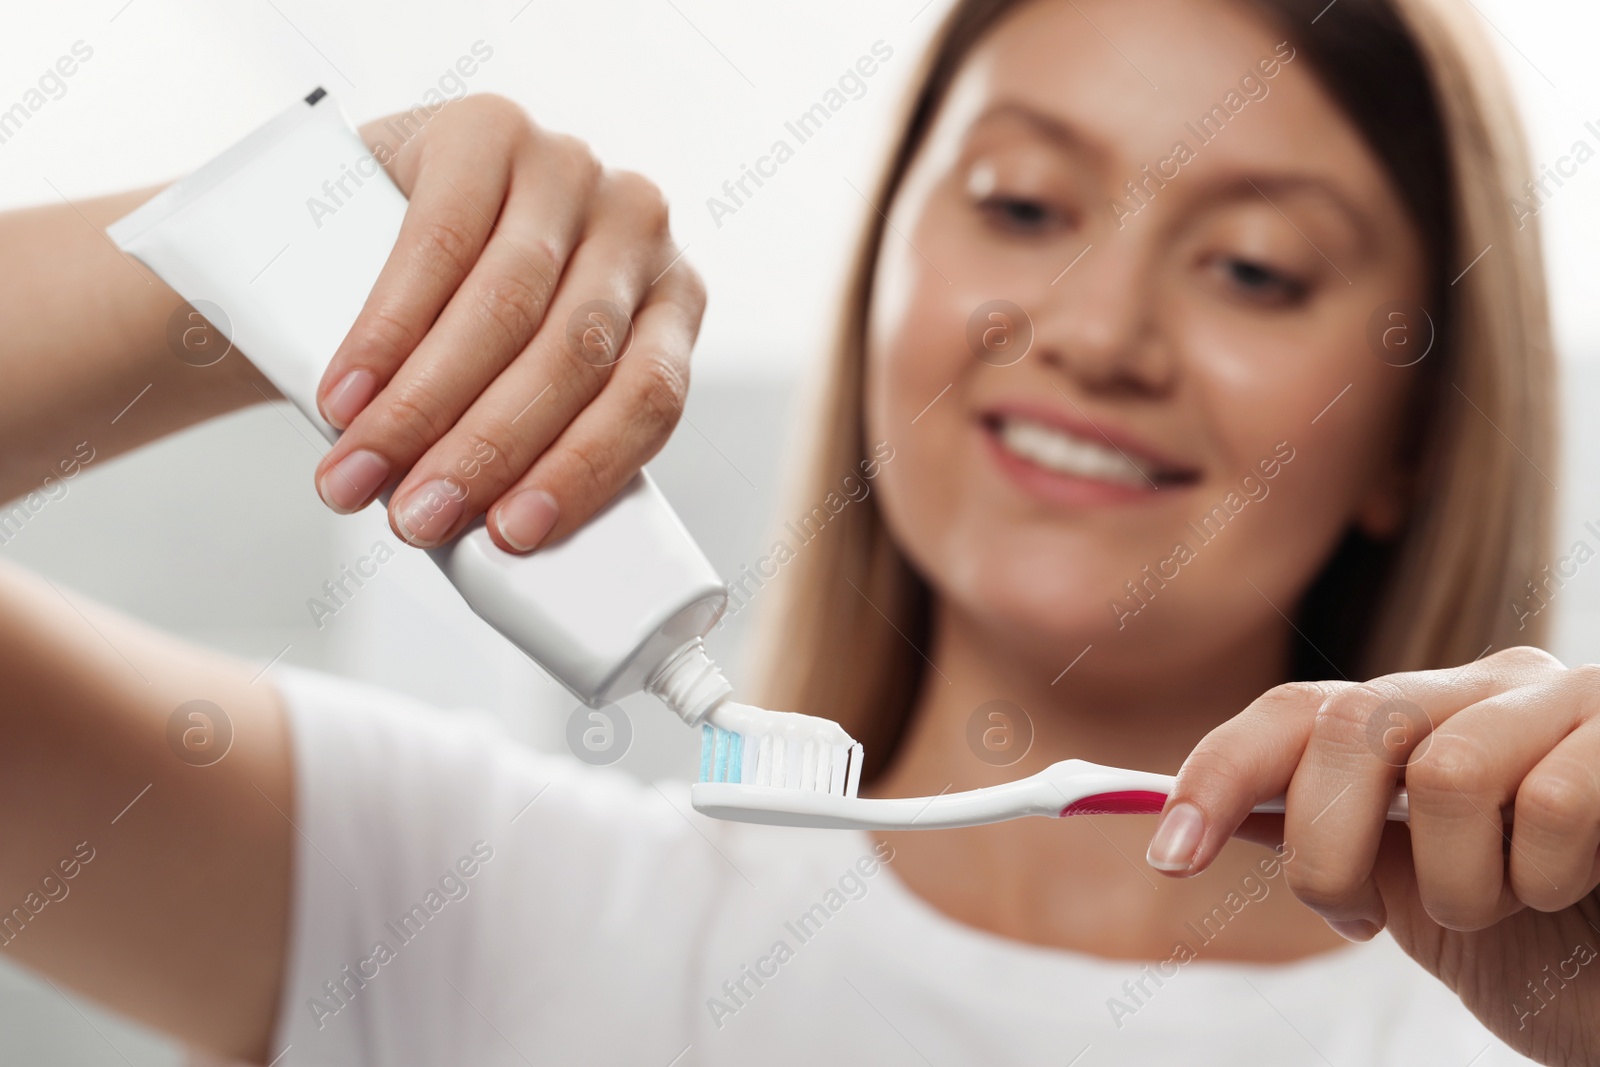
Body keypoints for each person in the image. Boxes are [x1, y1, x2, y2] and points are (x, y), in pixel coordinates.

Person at [0, 0, 1593, 1063]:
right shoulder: (460, 903)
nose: (1099, 329)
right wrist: (268, 247)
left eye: (1254, 268)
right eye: (1025, 207)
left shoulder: (1526, 1014)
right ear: (883, 285)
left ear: (1418, 429)